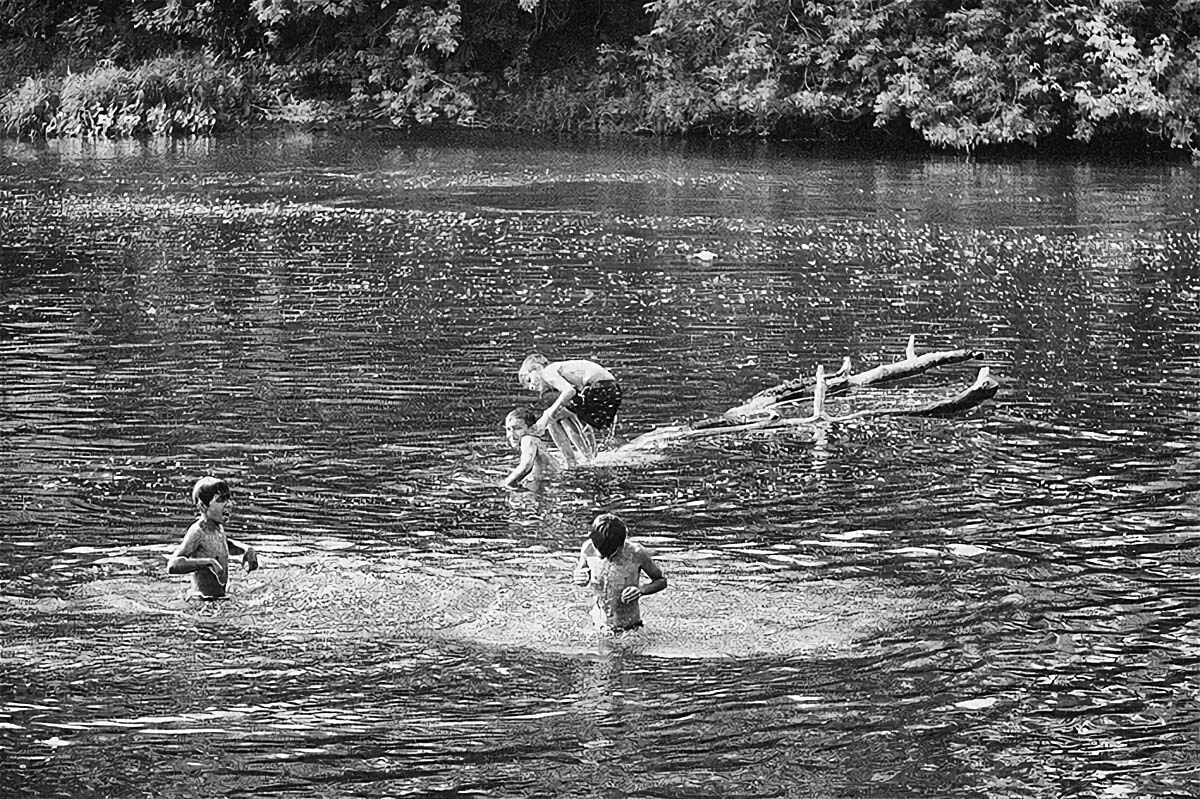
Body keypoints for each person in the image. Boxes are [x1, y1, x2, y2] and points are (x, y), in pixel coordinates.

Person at [518, 353, 622, 464]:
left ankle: (571, 460)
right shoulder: (567, 375)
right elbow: (573, 404)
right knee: (564, 415)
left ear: (538, 367)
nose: (532, 387)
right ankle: (589, 457)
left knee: (552, 419)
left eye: (529, 380)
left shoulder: (547, 371)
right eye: (529, 387)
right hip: (612, 390)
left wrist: (547, 415)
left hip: (599, 388)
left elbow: (569, 391)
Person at [167, 476, 259, 599]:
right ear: (203, 506)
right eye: (221, 500)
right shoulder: (197, 532)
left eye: (228, 499)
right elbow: (172, 565)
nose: (229, 504)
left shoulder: (217, 527)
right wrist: (208, 563)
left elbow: (222, 544)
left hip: (219, 598)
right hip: (202, 602)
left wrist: (246, 550)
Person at [573, 513, 666, 633]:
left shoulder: (636, 553)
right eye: (599, 550)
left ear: (621, 544)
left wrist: (641, 590)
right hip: (598, 626)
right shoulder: (588, 548)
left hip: (630, 628)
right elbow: (580, 571)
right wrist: (579, 576)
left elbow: (661, 581)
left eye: (610, 553)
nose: (602, 556)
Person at [500, 407, 561, 490]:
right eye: (508, 429)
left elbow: (526, 465)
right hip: (552, 480)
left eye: (518, 428)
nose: (511, 434)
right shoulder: (533, 440)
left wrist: (506, 483)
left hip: (552, 484)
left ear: (531, 429)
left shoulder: (527, 439)